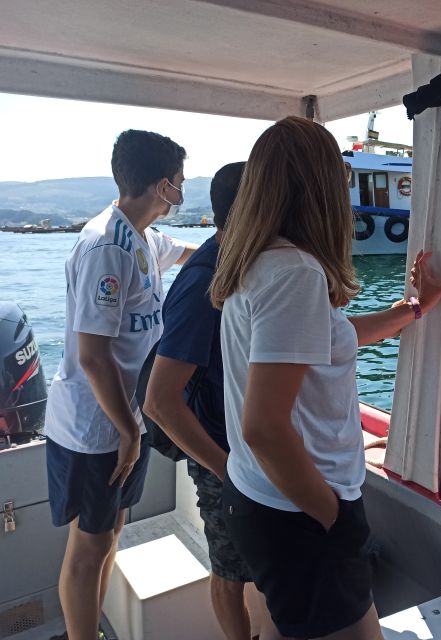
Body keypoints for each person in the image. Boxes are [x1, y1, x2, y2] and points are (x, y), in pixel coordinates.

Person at [209, 116, 441, 640]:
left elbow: (329, 338)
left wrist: (412, 310)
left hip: (260, 497)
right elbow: (265, 427)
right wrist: (331, 516)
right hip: (297, 511)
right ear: (320, 187)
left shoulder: (257, 260)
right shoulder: (295, 273)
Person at [44, 129, 196, 640]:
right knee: (88, 549)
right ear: (163, 187)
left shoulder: (145, 238)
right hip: (97, 428)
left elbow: (192, 254)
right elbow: (92, 356)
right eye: (179, 182)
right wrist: (130, 433)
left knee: (111, 534)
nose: (182, 191)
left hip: (127, 422)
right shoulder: (106, 246)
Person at [144, 161, 279, 640]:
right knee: (228, 570)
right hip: (222, 456)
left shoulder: (243, 266)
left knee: (256, 564)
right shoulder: (204, 282)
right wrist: (227, 471)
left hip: (250, 454)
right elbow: (160, 402)